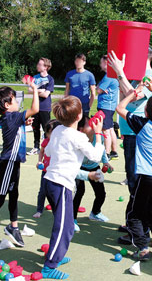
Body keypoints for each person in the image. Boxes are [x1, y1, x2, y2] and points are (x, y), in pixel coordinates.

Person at [41, 96, 104, 279]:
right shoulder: (78, 137)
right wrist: (98, 135)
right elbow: (94, 156)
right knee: (64, 227)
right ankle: (49, 266)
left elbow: (50, 152)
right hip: (60, 186)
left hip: (51, 182)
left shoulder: (58, 130)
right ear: (79, 116)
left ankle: (56, 256)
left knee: (65, 225)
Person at [0, 80, 39, 258]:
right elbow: (35, 108)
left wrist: (25, 124)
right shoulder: (11, 117)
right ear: (7, 105)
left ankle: (13, 226)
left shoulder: (11, 118)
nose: (17, 102)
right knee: (0, 198)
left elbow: (17, 129)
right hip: (7, 164)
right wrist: (34, 89)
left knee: (14, 195)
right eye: (14, 99)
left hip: (15, 163)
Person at [116, 77, 152, 263]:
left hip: (147, 177)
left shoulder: (142, 124)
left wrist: (133, 93)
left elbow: (120, 108)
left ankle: (142, 248)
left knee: (134, 215)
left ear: (146, 112)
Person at [108, 47, 152, 193]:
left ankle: (137, 211)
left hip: (138, 133)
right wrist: (122, 79)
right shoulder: (135, 77)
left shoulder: (150, 76)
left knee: (137, 178)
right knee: (132, 175)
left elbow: (135, 96)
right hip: (130, 131)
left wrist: (120, 72)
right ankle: (136, 209)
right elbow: (123, 99)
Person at [73, 115, 114, 231]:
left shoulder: (97, 137)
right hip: (79, 167)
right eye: (89, 124)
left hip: (94, 167)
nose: (93, 125)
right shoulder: (79, 139)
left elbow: (101, 151)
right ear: (81, 129)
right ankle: (73, 219)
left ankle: (95, 212)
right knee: (79, 192)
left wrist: (106, 163)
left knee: (101, 193)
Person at [33, 119, 61, 218]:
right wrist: (40, 161)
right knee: (43, 191)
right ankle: (39, 210)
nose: (49, 135)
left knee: (55, 192)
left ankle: (57, 210)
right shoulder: (46, 141)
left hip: (57, 172)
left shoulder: (61, 143)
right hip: (46, 171)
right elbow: (41, 151)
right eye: (48, 133)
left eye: (51, 133)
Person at [27, 58, 55, 156]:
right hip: (35, 106)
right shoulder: (35, 77)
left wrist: (36, 90)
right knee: (35, 128)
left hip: (45, 107)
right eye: (38, 64)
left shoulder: (50, 79)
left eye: (40, 64)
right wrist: (40, 90)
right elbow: (29, 90)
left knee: (46, 128)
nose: (37, 66)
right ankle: (36, 147)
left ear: (46, 67)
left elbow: (46, 95)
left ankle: (48, 147)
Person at [96, 55, 120, 160]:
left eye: (101, 62)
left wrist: (99, 87)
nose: (100, 64)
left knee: (106, 130)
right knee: (110, 129)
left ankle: (107, 153)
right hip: (109, 106)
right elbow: (100, 88)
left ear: (106, 63)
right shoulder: (110, 76)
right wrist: (100, 87)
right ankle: (114, 151)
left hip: (106, 106)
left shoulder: (108, 77)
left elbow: (98, 90)